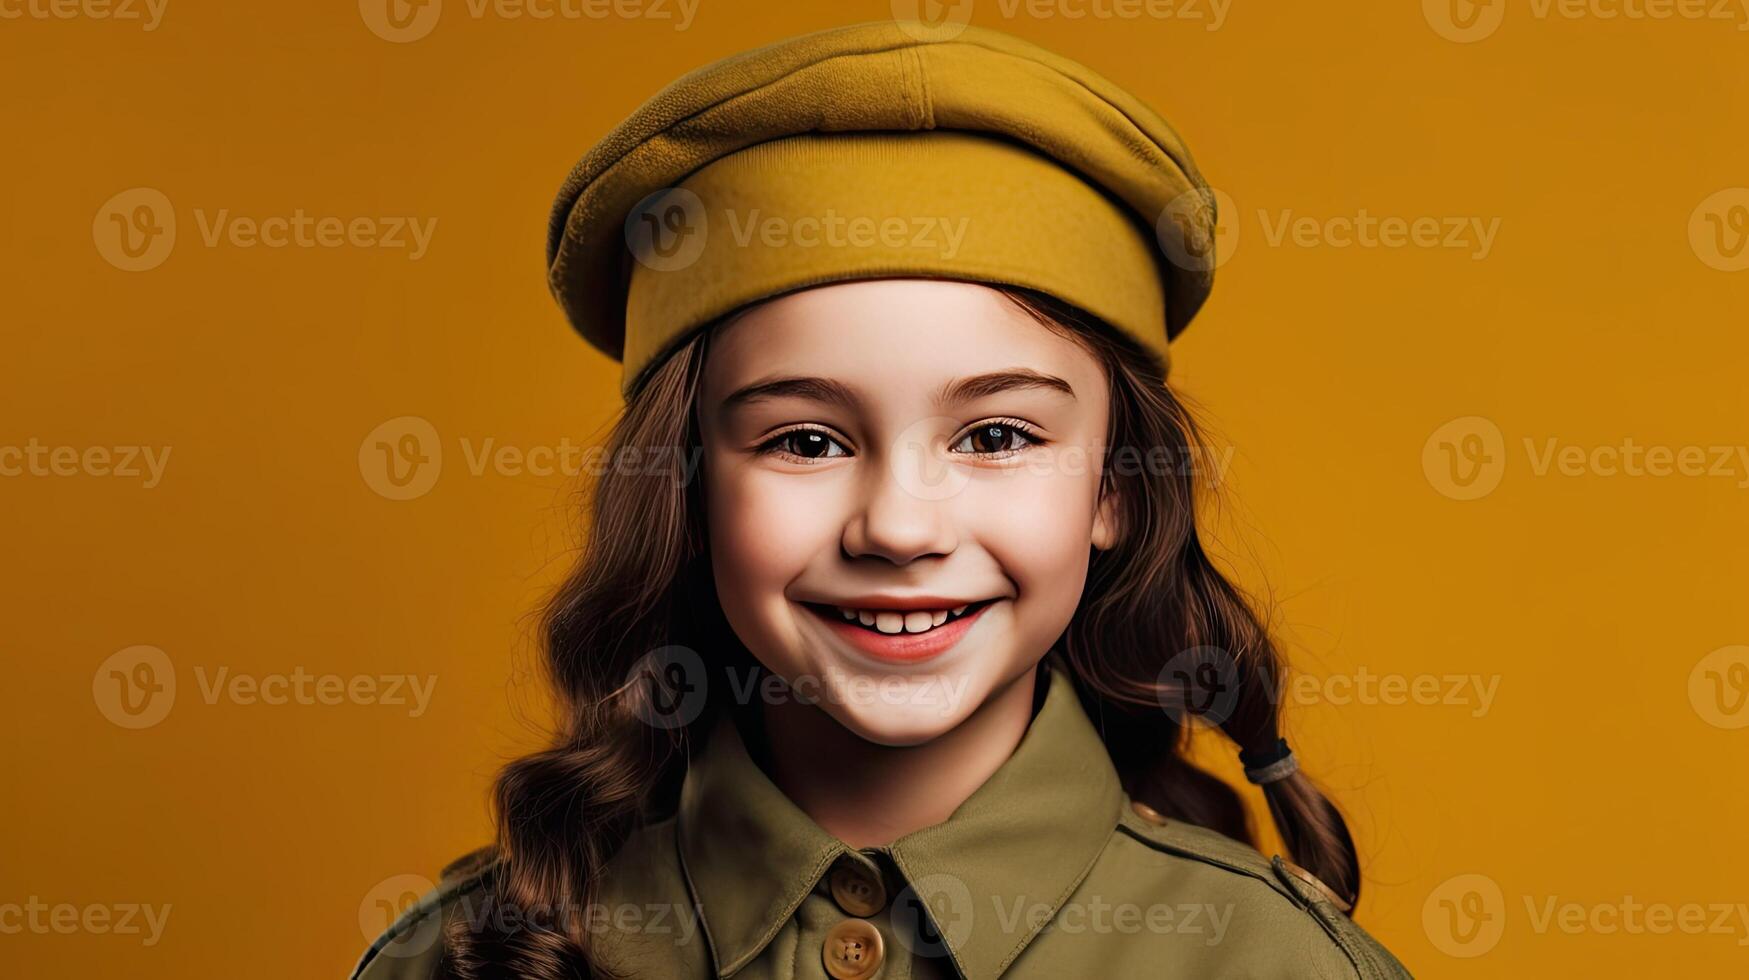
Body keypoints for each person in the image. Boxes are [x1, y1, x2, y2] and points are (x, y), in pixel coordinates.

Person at [353, 19, 1411, 979]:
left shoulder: (1281, 962)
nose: (901, 528)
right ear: (682, 482)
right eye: (805, 439)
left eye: (998, 435)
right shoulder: (461, 958)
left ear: (1117, 487)